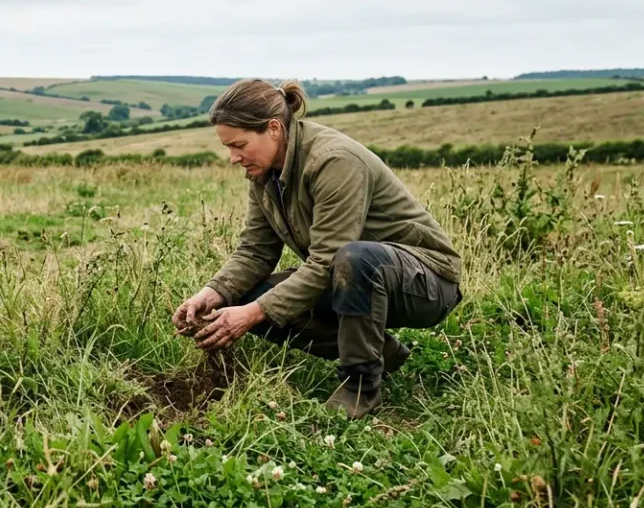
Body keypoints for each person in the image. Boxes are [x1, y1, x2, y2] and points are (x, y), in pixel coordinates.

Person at [171, 79, 463, 419]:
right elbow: (255, 251)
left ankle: (361, 386)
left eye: (239, 145)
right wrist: (214, 292)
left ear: (274, 128)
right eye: (228, 147)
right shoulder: (262, 174)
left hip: (425, 283)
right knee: (245, 296)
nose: (233, 158)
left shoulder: (334, 160)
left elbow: (327, 262)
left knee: (352, 259)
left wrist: (254, 313)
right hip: (351, 275)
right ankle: (380, 351)